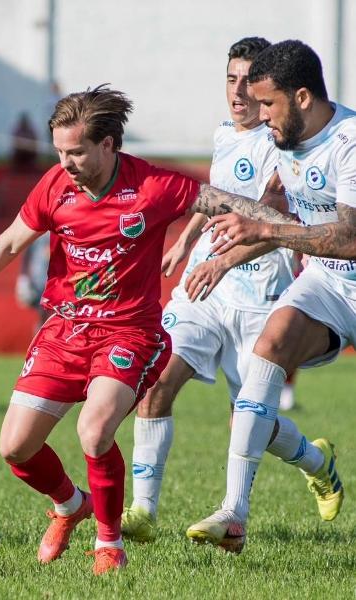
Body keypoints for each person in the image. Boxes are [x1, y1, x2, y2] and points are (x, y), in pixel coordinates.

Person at [0, 85, 321, 573]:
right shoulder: (54, 185)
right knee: (14, 447)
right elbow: (9, 244)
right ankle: (72, 505)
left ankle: (109, 543)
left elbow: (222, 201)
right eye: (59, 152)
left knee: (94, 432)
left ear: (109, 144)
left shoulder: (152, 185)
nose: (65, 162)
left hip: (128, 334)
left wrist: (294, 228)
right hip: (65, 329)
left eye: (76, 152)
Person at [121, 37, 304, 544]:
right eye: (230, 79)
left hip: (259, 296)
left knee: (250, 421)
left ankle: (314, 459)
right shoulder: (225, 134)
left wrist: (222, 260)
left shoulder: (283, 142)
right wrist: (185, 244)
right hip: (204, 288)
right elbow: (215, 201)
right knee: (156, 382)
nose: (239, 91)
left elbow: (273, 218)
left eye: (249, 81)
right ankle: (142, 511)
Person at [186, 40, 354, 552]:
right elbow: (277, 218)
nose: (260, 116)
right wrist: (221, 260)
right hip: (328, 282)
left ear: (302, 97)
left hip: (343, 260)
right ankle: (234, 515)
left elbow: (348, 238)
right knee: (269, 349)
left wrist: (265, 228)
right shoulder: (285, 146)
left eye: (268, 105)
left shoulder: (348, 143)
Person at [15, 232, 51, 331]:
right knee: (43, 309)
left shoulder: (61, 230)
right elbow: (26, 255)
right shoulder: (37, 232)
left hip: (55, 277)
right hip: (39, 278)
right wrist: (23, 277)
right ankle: (41, 334)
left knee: (50, 310)